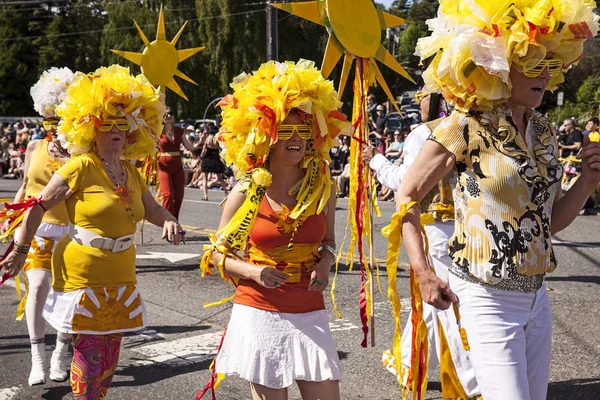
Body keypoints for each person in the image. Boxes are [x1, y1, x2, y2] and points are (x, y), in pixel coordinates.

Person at [394, 1, 600, 399]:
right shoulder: (464, 124)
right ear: (501, 67)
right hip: (486, 296)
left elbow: (549, 221)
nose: (545, 76)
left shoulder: (544, 130)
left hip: (537, 297)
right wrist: (421, 272)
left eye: (550, 65)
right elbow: (406, 196)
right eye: (534, 64)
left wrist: (588, 182)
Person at [0, 65, 185, 400]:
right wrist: (20, 250)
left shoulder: (130, 170)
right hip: (82, 274)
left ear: (131, 132)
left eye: (120, 125)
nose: (114, 131)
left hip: (122, 273)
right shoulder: (80, 167)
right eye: (106, 125)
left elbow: (152, 209)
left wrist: (170, 220)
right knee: (88, 355)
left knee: (109, 359)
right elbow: (37, 205)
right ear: (89, 131)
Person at [198, 59, 351, 400]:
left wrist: (325, 264)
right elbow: (215, 256)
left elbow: (327, 240)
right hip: (259, 308)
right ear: (265, 137)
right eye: (284, 130)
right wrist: (254, 272)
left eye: (302, 130)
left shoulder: (323, 186)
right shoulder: (248, 190)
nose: (295, 138)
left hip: (309, 307)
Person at [363, 89, 479, 399]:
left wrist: (375, 160)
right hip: (466, 229)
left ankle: (468, 382)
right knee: (437, 302)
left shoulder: (425, 133)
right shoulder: (474, 125)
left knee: (447, 303)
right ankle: (412, 364)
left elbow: (405, 183)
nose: (419, 101)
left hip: (436, 233)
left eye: (423, 94)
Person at [2, 67, 76, 386]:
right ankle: (37, 357)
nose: (53, 129)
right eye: (49, 122)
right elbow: (26, 185)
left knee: (70, 295)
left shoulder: (82, 154)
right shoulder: (34, 148)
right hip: (36, 231)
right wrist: (11, 219)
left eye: (59, 122)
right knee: (37, 287)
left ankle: (61, 351)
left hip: (72, 235)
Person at [158, 106, 196, 219]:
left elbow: (189, 147)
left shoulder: (179, 131)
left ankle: (174, 221)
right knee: (168, 195)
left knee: (179, 196)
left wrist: (200, 144)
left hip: (178, 166)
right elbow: (151, 146)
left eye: (170, 113)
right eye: (165, 114)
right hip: (164, 166)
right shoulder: (158, 131)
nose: (168, 116)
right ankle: (166, 221)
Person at [199, 127, 227, 201]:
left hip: (207, 160)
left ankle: (205, 196)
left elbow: (203, 152)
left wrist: (201, 157)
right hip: (215, 160)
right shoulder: (217, 139)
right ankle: (226, 193)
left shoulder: (207, 139)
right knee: (220, 178)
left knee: (205, 178)